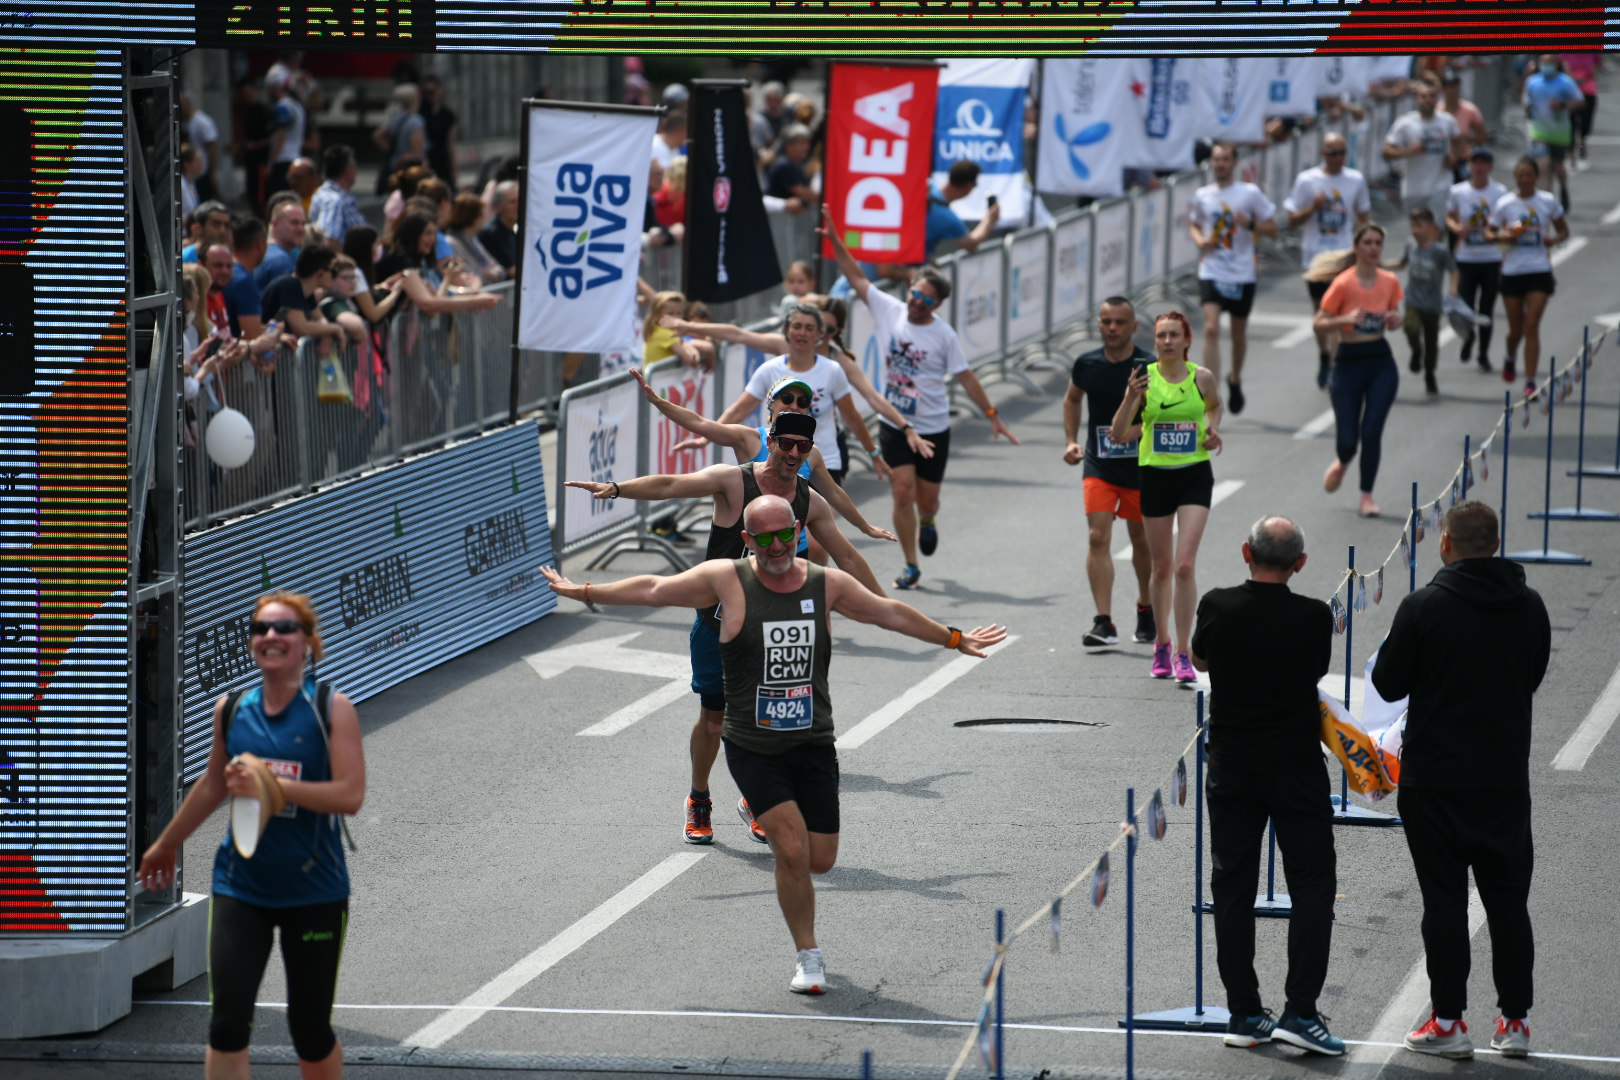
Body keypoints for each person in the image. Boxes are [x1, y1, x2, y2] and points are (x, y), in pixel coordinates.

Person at [540, 495, 1006, 994]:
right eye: (763, 538)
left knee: (820, 858)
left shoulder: (825, 584)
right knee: (788, 845)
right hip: (753, 745)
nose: (777, 545)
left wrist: (953, 639)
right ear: (747, 541)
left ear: (799, 529)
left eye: (785, 534)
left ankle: (795, 888)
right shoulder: (726, 579)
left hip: (812, 743)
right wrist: (584, 589)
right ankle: (809, 956)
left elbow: (887, 613)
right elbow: (654, 587)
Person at [560, 415, 891, 850]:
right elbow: (670, 486)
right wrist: (619, 489)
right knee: (714, 721)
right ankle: (699, 798)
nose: (793, 454)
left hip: (770, 630)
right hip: (716, 627)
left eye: (802, 446)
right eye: (786, 443)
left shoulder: (809, 501)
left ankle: (757, 798)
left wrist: (887, 609)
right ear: (769, 441)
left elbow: (847, 558)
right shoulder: (734, 483)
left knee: (768, 719)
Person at [136, 592, 364, 1079]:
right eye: (261, 628)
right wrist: (167, 843)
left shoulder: (331, 709)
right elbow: (214, 783)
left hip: (314, 891)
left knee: (309, 1030)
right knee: (227, 1024)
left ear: (308, 643)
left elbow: (349, 795)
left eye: (284, 628)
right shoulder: (233, 708)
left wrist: (272, 787)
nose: (271, 637)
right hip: (243, 888)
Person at [1371, 502, 1549, 1062]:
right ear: (1495, 543)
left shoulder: (1424, 606)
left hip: (1435, 781)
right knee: (1509, 903)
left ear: (1445, 544)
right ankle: (1515, 1021)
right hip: (1502, 778)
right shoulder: (1530, 606)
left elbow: (1388, 682)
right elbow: (1534, 673)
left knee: (1444, 903)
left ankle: (1448, 1022)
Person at [1188, 517, 1341, 1056]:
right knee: (1314, 885)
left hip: (1232, 766)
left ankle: (1245, 1012)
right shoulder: (1313, 615)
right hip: (1297, 766)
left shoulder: (1217, 605)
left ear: (1245, 551)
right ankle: (1301, 1011)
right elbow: (1316, 671)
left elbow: (1200, 659)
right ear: (1299, 563)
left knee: (1232, 887)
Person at [819, 204, 1018, 590]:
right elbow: (857, 277)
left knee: (926, 500)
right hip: (895, 422)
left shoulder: (943, 335)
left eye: (925, 301)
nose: (915, 303)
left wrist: (991, 412)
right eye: (914, 295)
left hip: (933, 427)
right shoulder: (890, 309)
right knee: (902, 490)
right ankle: (911, 563)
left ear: (937, 305)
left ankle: (928, 520)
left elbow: (966, 376)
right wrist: (834, 239)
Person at [1108, 311, 1222, 682]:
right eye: (1162, 336)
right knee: (1161, 568)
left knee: (1184, 565)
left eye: (1175, 335)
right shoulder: (1144, 379)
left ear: (1187, 340)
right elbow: (1119, 432)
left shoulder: (1200, 377)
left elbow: (1214, 406)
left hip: (1193, 475)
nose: (1168, 341)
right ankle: (1162, 642)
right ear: (1155, 341)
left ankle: (1185, 653)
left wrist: (1212, 429)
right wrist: (1129, 397)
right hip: (1154, 475)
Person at [1062, 296, 1155, 649]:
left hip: (1141, 466)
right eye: (1106, 321)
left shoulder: (1148, 366)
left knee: (1141, 540)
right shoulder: (1086, 364)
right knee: (1097, 538)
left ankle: (1145, 607)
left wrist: (1139, 431)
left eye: (1119, 322)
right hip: (1099, 464)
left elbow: (1163, 413)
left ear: (1133, 326)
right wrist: (1071, 440)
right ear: (1098, 325)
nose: (1112, 328)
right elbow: (1072, 399)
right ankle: (1103, 621)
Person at [1312, 222, 1403, 517]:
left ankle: (1367, 496)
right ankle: (1342, 461)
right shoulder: (1343, 283)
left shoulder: (1389, 281)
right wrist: (1345, 319)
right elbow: (1319, 323)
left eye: (1378, 243)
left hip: (1380, 361)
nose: (1374, 248)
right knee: (1348, 440)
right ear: (1357, 247)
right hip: (1348, 362)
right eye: (1368, 242)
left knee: (1372, 431)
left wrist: (1393, 319)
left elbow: (1395, 313)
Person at [1189, 143, 1278, 415]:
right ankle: (1209, 392)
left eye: (1225, 159)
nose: (1220, 164)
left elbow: (1273, 229)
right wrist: (1200, 240)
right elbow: (1194, 223)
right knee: (1212, 328)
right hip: (1212, 269)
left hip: (1242, 272)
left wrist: (1249, 224)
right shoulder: (1203, 195)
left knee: (1238, 335)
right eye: (1216, 160)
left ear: (1235, 162)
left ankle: (1235, 378)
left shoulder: (1249, 193)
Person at [1284, 133, 1370, 389]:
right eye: (1332, 153)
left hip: (1343, 256)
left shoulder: (1355, 179)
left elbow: (1364, 218)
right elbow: (1291, 220)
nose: (1338, 159)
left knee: (1341, 314)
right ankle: (1324, 355)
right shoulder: (1307, 180)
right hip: (1315, 258)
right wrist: (1313, 207)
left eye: (1342, 153)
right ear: (1323, 154)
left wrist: (1365, 251)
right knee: (1321, 314)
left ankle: (1336, 366)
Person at [1485, 156, 1568, 392]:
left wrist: (1555, 239)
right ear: (1516, 178)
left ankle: (1530, 381)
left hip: (1539, 269)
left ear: (1535, 176)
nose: (1525, 180)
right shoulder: (1505, 204)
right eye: (1520, 175)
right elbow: (1489, 234)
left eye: (1529, 175)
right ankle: (1510, 355)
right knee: (1517, 330)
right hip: (1512, 271)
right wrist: (1504, 237)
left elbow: (1563, 230)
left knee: (1532, 326)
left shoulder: (1547, 201)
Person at [1446, 148, 1508, 374]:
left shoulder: (1499, 192)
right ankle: (1469, 339)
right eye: (1476, 163)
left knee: (1487, 308)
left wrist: (1499, 239)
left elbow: (1507, 222)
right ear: (1470, 166)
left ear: (1490, 167)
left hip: (1491, 258)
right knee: (1466, 307)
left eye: (1484, 163)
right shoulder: (1458, 191)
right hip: (1466, 259)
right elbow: (1450, 216)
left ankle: (1483, 353)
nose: (1479, 168)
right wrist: (1456, 228)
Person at [1385, 207, 1459, 395]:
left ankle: (1429, 373)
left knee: (1431, 341)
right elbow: (1401, 263)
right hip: (1413, 299)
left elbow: (1453, 269)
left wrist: (1453, 288)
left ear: (1431, 227)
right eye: (1413, 226)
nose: (1415, 230)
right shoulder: (1410, 245)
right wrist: (1381, 265)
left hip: (1432, 303)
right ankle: (1416, 350)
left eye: (1420, 226)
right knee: (1410, 327)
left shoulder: (1439, 251)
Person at [1383, 79, 1465, 225]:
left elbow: (1459, 141)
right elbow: (1386, 152)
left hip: (1440, 186)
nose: (1428, 100)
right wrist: (1408, 151)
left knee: (1437, 228)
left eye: (1432, 96)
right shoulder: (1405, 123)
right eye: (1423, 96)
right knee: (1418, 230)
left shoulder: (1447, 121)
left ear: (1437, 99)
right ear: (1416, 100)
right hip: (1413, 188)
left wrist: (1454, 157)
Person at [1522, 54, 1583, 209]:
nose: (1545, 66)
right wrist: (1527, 106)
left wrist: (1562, 105)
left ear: (1556, 64)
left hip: (1559, 132)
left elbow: (1580, 102)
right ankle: (1546, 200)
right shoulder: (1533, 81)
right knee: (1543, 166)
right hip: (1539, 131)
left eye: (1549, 63)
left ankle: (1563, 188)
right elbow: (1526, 98)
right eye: (1543, 63)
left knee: (1558, 167)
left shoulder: (1565, 82)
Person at [308, 145, 366, 248]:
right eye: (355, 166)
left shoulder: (325, 194)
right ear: (348, 172)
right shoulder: (334, 201)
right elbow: (329, 241)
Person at [374, 83, 427, 196]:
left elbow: (377, 136)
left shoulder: (397, 118)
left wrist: (391, 151)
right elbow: (417, 153)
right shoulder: (416, 121)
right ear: (416, 98)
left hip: (394, 166)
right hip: (409, 172)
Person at [443, 192, 506, 285]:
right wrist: (490, 274)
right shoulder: (451, 242)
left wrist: (495, 274)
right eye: (480, 214)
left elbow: (499, 269)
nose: (484, 217)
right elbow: (471, 277)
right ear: (471, 216)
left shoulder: (473, 240)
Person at [1438, 67, 1488, 182]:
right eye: (1447, 85)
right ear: (1442, 88)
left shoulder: (1470, 110)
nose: (1451, 89)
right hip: (1440, 161)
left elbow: (1483, 135)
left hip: (1462, 160)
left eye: (1454, 85)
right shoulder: (1437, 110)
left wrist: (1467, 139)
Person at [264, 68, 306, 203]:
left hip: (283, 160)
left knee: (280, 201)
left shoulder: (283, 106)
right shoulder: (297, 105)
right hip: (295, 156)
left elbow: (280, 137)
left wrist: (270, 162)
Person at [254, 199, 308, 290]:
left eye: (303, 224)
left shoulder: (264, 252)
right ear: (274, 224)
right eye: (294, 223)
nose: (301, 229)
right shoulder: (281, 260)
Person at [419, 73, 458, 187]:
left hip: (442, 160)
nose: (430, 96)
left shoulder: (447, 114)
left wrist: (454, 171)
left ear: (439, 90)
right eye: (427, 93)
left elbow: (451, 145)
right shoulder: (421, 111)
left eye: (433, 92)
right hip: (425, 160)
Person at [181, 90, 221, 201]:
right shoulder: (186, 122)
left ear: (187, 104)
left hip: (202, 172)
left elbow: (212, 146)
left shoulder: (202, 121)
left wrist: (212, 172)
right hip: (192, 172)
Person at [1561, 52, 1601, 164]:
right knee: (1571, 122)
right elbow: (1562, 64)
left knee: (1585, 123)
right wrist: (1572, 77)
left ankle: (1582, 145)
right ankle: (1570, 151)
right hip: (1571, 91)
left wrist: (1589, 73)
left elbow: (1598, 65)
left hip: (1588, 90)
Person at [765, 124, 818, 204]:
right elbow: (804, 193)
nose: (806, 147)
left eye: (807, 143)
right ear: (788, 146)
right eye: (801, 143)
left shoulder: (797, 164)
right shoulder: (784, 165)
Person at [480, 180, 520, 275]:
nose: (517, 206)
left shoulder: (518, 230)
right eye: (512, 202)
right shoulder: (489, 234)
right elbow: (510, 270)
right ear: (498, 206)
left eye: (519, 201)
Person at [182, 201, 233, 265]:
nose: (222, 231)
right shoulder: (184, 259)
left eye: (227, 225)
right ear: (198, 228)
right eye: (216, 224)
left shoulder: (230, 259)